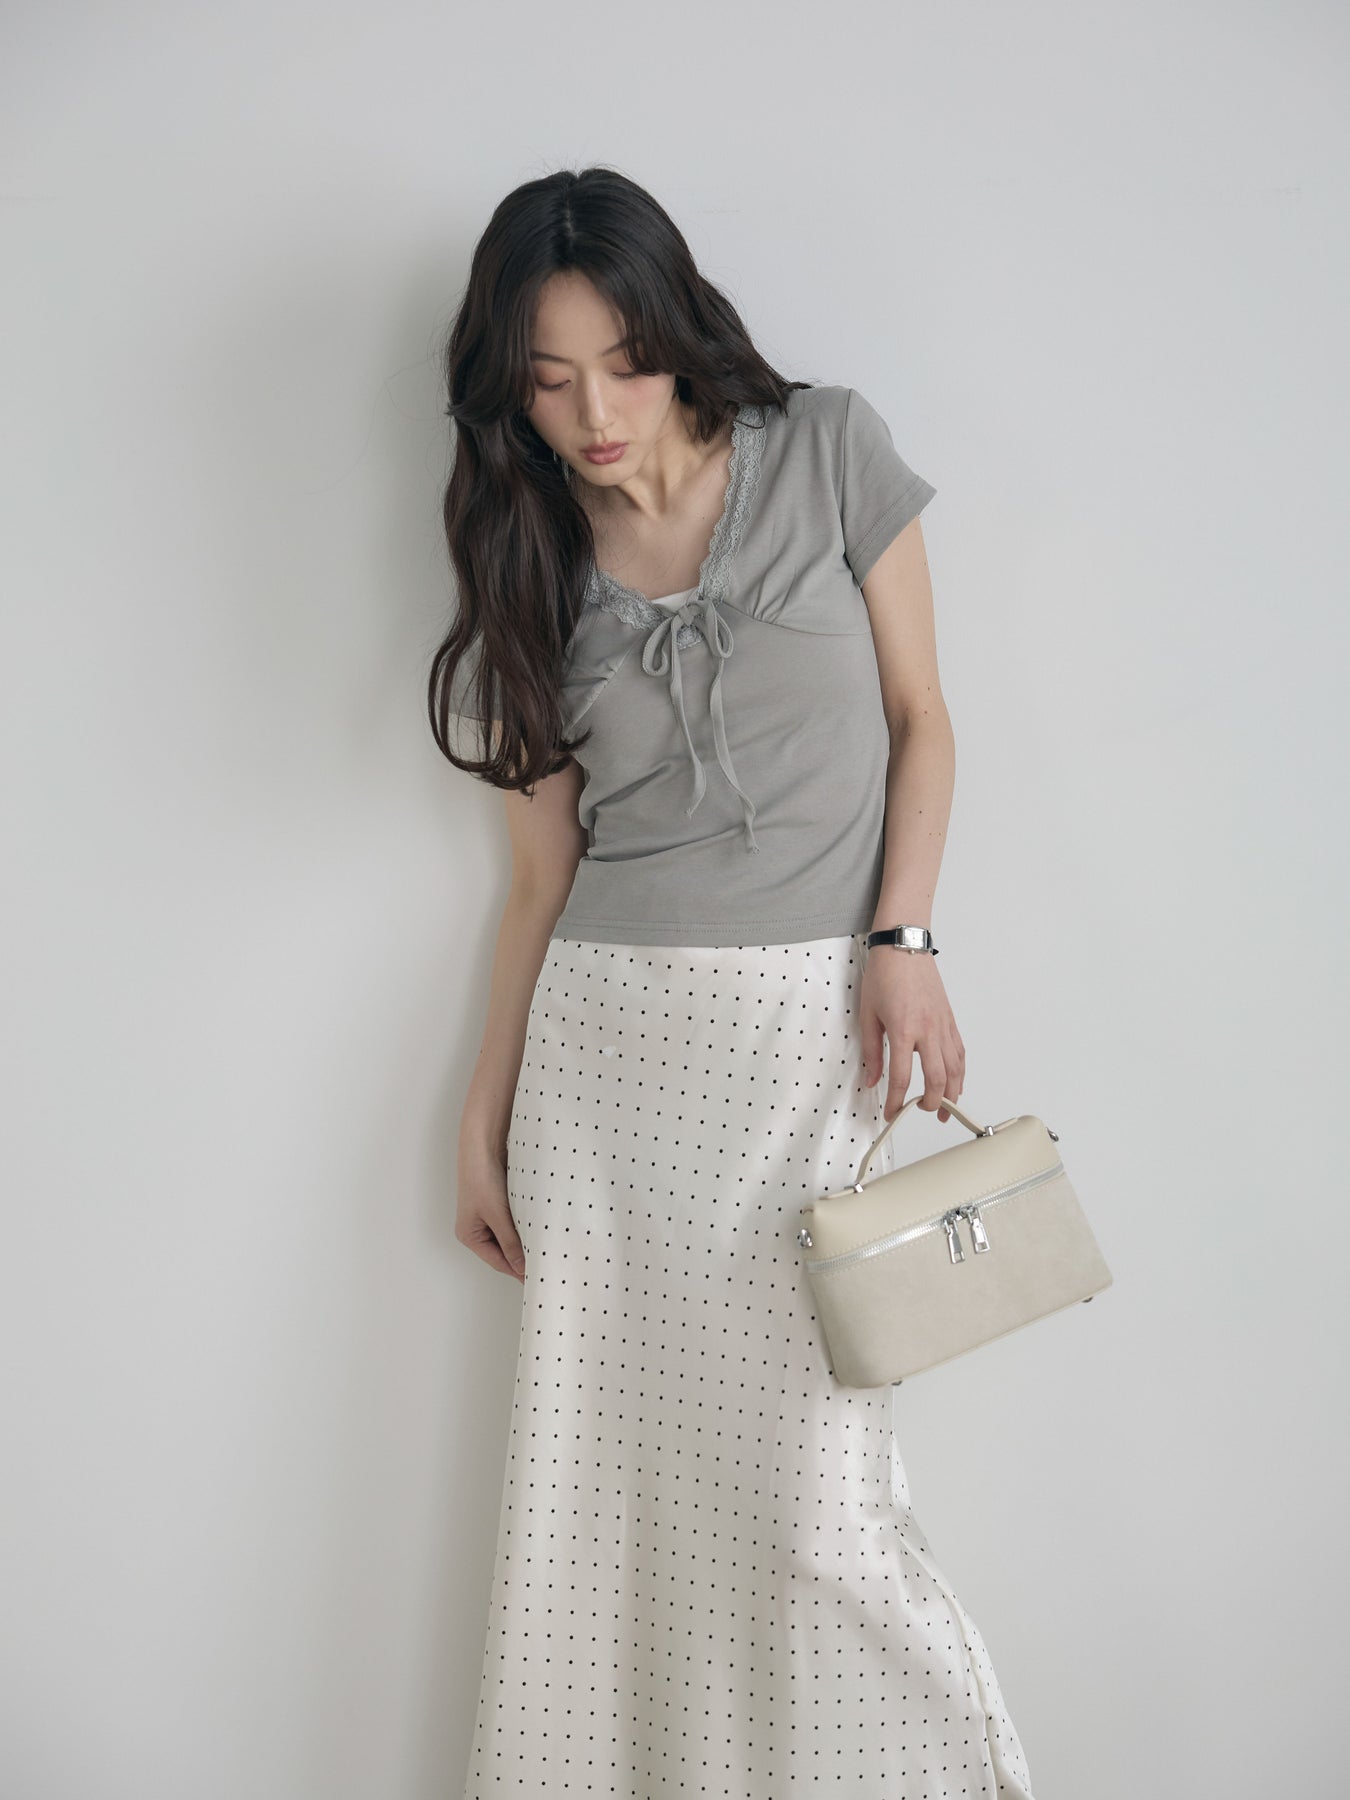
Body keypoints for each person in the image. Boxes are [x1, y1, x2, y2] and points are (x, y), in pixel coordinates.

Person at [431, 166, 1038, 1799]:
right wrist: (482, 1122)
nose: (593, 414)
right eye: (548, 380)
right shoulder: (524, 560)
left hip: (805, 1044)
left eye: (623, 364)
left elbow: (923, 720)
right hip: (607, 1068)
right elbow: (538, 883)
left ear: (675, 333)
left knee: (814, 1502)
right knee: (597, 1495)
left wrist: (903, 939)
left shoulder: (825, 449)